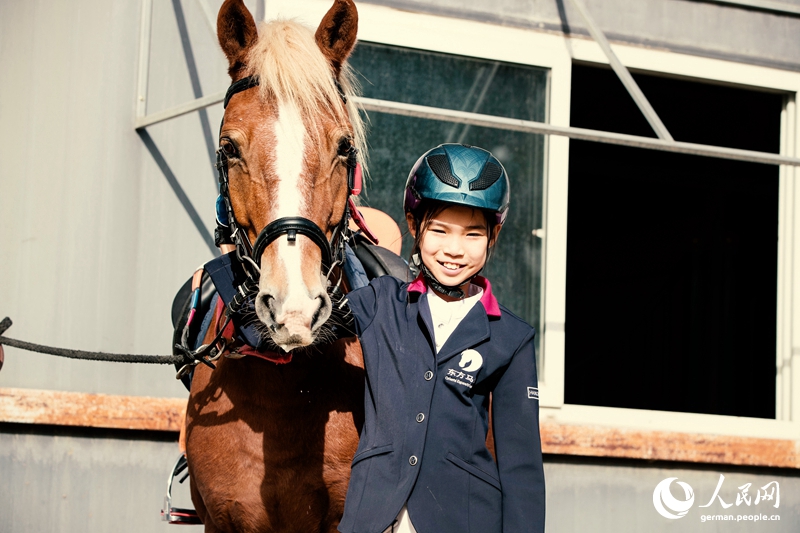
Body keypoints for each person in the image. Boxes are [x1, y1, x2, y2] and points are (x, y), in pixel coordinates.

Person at [338, 144, 546, 533]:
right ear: (413, 224)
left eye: (472, 234)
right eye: (439, 230)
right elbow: (300, 321)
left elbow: (521, 466)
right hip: (372, 518)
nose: (454, 250)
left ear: (494, 235)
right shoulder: (379, 302)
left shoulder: (512, 338)